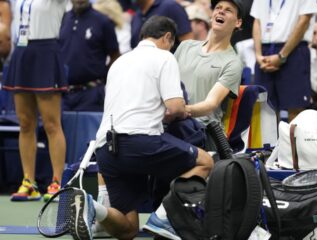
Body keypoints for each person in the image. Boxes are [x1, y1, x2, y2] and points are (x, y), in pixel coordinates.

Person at [66, 16, 213, 240]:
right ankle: (162, 217)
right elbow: (174, 107)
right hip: (140, 143)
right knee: (206, 162)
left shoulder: (119, 62)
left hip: (106, 150)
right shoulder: (165, 57)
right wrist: (186, 110)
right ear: (167, 38)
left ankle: (92, 207)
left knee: (128, 230)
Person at [2, 0, 68, 202]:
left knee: (51, 123)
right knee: (25, 123)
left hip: (46, 51)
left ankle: (57, 181)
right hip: (21, 53)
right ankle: (28, 182)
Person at [176, 0, 243, 128]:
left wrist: (178, 111)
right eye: (218, 7)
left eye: (228, 10)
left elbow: (210, 104)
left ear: (238, 22)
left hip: (202, 131)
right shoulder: (185, 46)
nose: (221, 11)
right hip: (172, 124)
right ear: (211, 16)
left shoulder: (233, 62)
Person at [251, 0, 317, 122]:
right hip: (264, 50)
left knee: (295, 108)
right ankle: (269, 142)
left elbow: (304, 21)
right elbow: (257, 21)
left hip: (294, 49)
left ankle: (294, 141)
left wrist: (282, 55)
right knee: (265, 108)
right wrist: (258, 54)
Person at [60, 0, 120, 112]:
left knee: (89, 130)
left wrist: (104, 78)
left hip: (91, 94)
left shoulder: (103, 21)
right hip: (63, 94)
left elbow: (115, 55)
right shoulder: (62, 19)